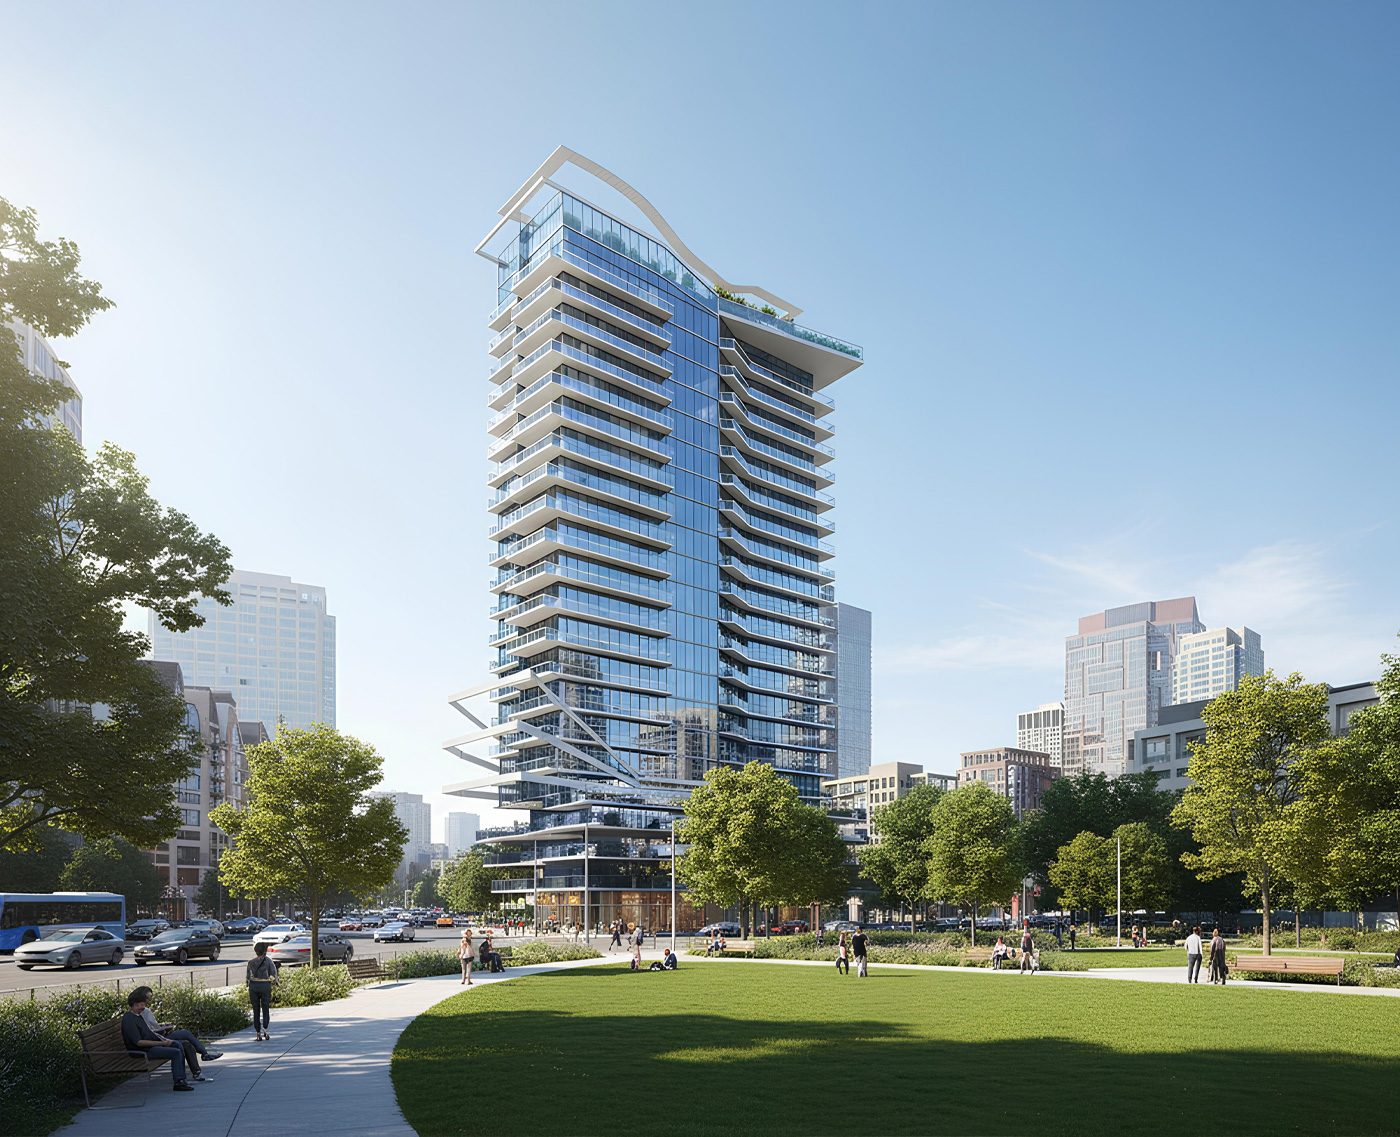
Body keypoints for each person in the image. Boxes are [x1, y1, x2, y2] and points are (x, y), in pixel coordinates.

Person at [130, 985, 221, 1081]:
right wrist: (163, 1030)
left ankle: (201, 1064)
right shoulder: (143, 1012)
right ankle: (203, 1057)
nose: (149, 1000)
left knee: (186, 1042)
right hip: (157, 1039)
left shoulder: (138, 1012)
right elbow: (150, 1031)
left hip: (157, 1037)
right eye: (147, 998)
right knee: (185, 1034)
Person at [121, 990, 193, 1091]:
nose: (144, 1007)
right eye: (142, 1004)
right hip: (142, 1051)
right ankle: (179, 1082)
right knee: (176, 1053)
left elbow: (148, 1034)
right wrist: (162, 1043)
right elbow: (139, 1042)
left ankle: (181, 1079)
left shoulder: (138, 1016)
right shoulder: (129, 1019)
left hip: (150, 1047)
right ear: (136, 1004)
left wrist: (163, 1036)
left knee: (177, 1044)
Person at [246, 941, 279, 1041]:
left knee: (256, 1009)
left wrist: (248, 984)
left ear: (256, 951)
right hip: (265, 985)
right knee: (265, 1007)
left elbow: (248, 977)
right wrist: (276, 982)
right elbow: (274, 973)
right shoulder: (268, 961)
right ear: (265, 951)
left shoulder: (251, 962)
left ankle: (257, 1032)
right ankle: (265, 1029)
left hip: (254, 986)